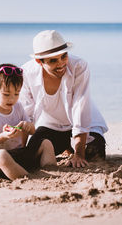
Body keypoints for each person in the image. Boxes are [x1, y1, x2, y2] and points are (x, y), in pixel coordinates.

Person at [20, 30, 108, 168]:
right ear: (39, 61)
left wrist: (79, 153)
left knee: (93, 156)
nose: (61, 64)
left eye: (64, 56)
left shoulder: (79, 66)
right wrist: (21, 151)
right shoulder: (26, 73)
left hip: (86, 126)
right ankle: (66, 146)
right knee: (33, 156)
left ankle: (73, 147)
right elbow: (26, 115)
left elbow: (81, 106)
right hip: (51, 125)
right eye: (53, 60)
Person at [0, 63, 56, 180]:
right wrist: (4, 136)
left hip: (18, 156)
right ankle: (27, 179)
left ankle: (52, 171)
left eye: (16, 94)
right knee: (1, 155)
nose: (12, 99)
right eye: (6, 94)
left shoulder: (18, 107)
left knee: (45, 143)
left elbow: (32, 131)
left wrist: (28, 126)